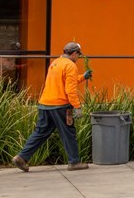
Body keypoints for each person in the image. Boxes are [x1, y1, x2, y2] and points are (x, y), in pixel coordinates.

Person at [12, 42, 93, 172]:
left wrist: (83, 77)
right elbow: (70, 89)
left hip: (45, 104)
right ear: (74, 53)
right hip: (60, 105)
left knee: (40, 132)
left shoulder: (56, 63)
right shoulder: (70, 66)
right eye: (78, 55)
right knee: (68, 133)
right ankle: (74, 162)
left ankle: (22, 157)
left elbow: (63, 81)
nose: (78, 57)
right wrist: (77, 107)